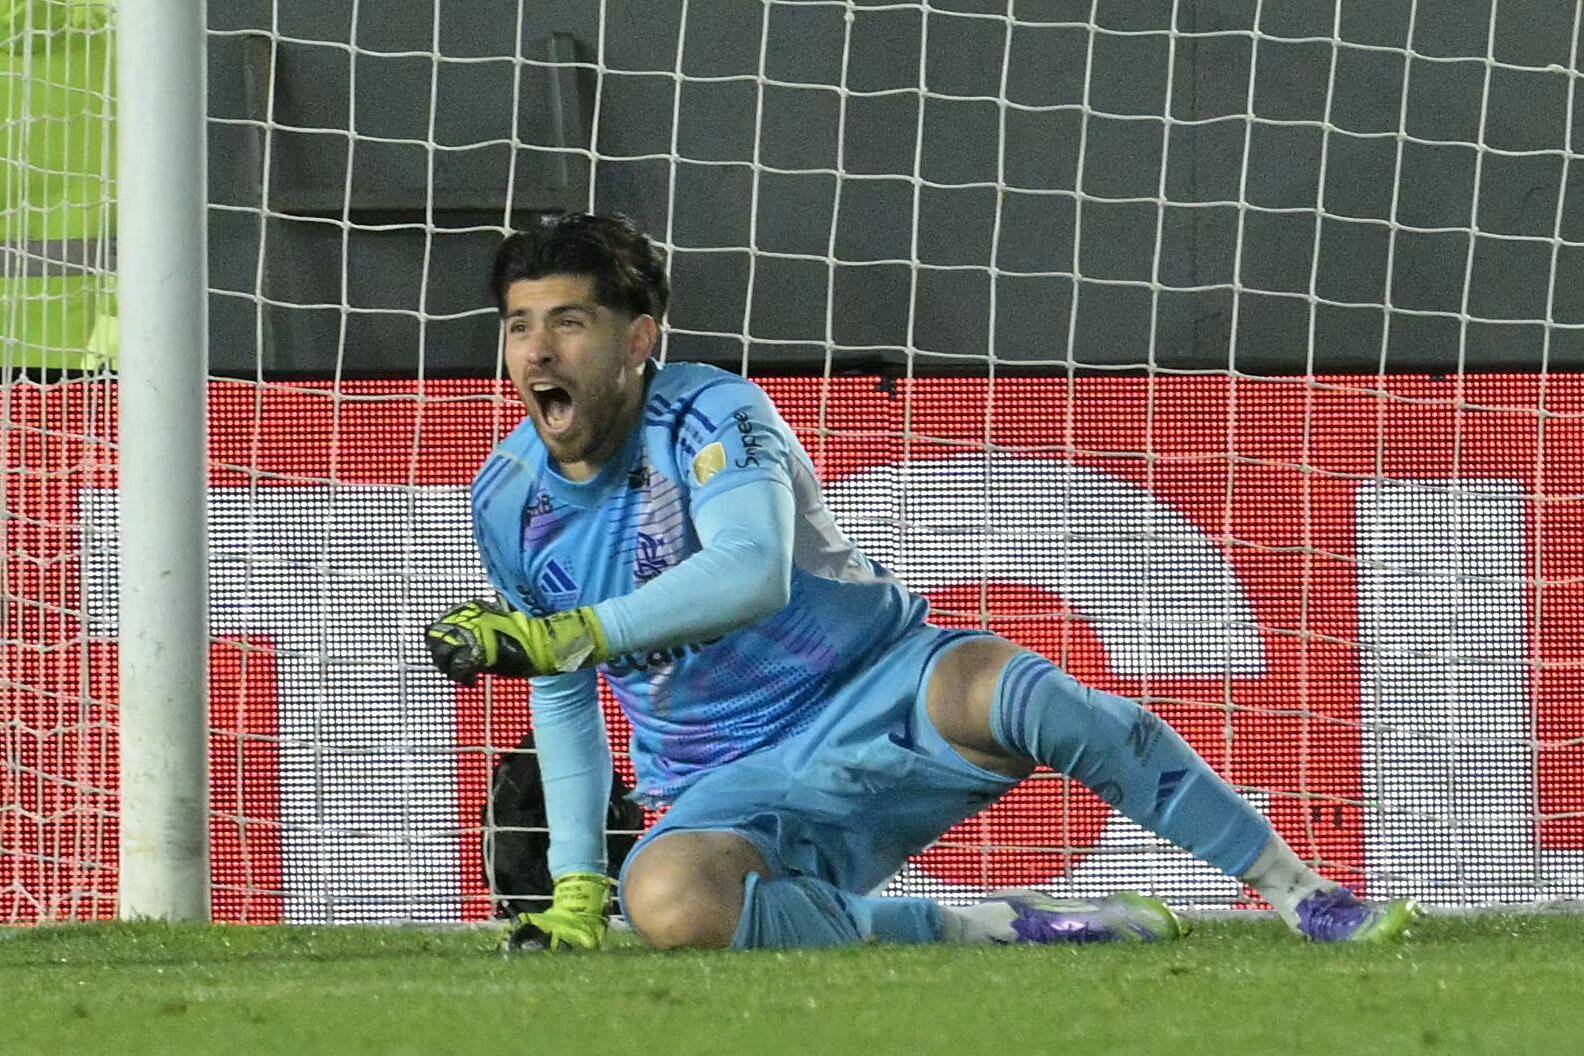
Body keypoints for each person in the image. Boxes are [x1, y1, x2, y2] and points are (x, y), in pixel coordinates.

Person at [426, 212, 1421, 952]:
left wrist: (570, 634)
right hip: (725, 783)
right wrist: (570, 894)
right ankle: (1003, 927)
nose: (538, 352)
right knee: (671, 904)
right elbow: (558, 694)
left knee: (1030, 693)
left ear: (639, 340)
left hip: (882, 689)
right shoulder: (509, 500)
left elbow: (751, 573)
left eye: (569, 324)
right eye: (519, 328)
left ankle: (1302, 893)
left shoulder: (713, 414)